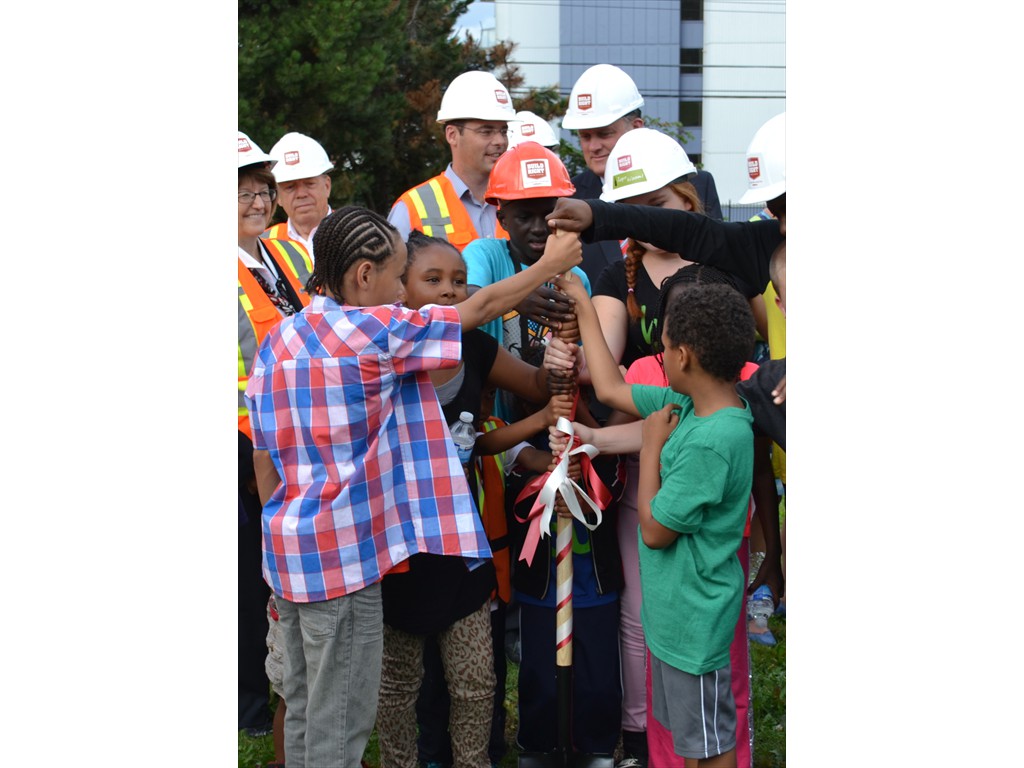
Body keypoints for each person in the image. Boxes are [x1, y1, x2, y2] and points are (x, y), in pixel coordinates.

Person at [243, 206, 582, 768]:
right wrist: (548, 262)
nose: (403, 293)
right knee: (341, 723)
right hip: (344, 562)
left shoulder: (283, 336)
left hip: (286, 555)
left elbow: (263, 462)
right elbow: (480, 308)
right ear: (363, 276)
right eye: (398, 277)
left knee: (303, 706)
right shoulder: (372, 332)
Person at [548, 265, 775, 768]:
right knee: (690, 741)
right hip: (674, 620)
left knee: (710, 747)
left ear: (683, 356)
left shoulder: (715, 439)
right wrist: (583, 303)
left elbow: (653, 531)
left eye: (665, 346)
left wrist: (650, 449)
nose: (659, 355)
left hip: (697, 626)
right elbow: (609, 388)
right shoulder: (689, 403)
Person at [376, 231, 573, 768]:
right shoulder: (383, 353)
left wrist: (557, 363)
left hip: (463, 541)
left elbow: (535, 385)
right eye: (433, 280)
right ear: (400, 288)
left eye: (459, 281)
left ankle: (475, 760)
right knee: (400, 685)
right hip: (397, 546)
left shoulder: (475, 347)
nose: (449, 291)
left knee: (474, 681)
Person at [236, 131, 312, 744]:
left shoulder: (281, 256)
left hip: (285, 432)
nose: (258, 200)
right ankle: (248, 706)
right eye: (241, 190)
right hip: (239, 440)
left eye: (262, 189)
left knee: (271, 571)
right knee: (242, 573)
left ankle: (277, 695)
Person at [462, 141, 592, 422]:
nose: (538, 227)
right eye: (524, 217)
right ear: (503, 219)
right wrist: (516, 297)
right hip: (492, 422)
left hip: (552, 419)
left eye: (548, 214)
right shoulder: (484, 254)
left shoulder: (576, 278)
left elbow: (585, 349)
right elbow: (468, 298)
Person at [560, 64, 723, 286]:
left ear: (636, 127)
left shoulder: (696, 183)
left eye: (604, 134)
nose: (594, 146)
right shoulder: (570, 199)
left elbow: (718, 260)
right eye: (585, 136)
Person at [388, 70, 516, 251]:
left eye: (503, 131)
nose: (500, 141)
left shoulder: (519, 199)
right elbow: (389, 277)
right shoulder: (412, 207)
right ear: (452, 135)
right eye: (486, 132)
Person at [263, 131, 334, 260]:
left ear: (327, 186)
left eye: (309, 183)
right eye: (290, 187)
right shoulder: (263, 246)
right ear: (278, 197)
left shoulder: (360, 232)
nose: (301, 194)